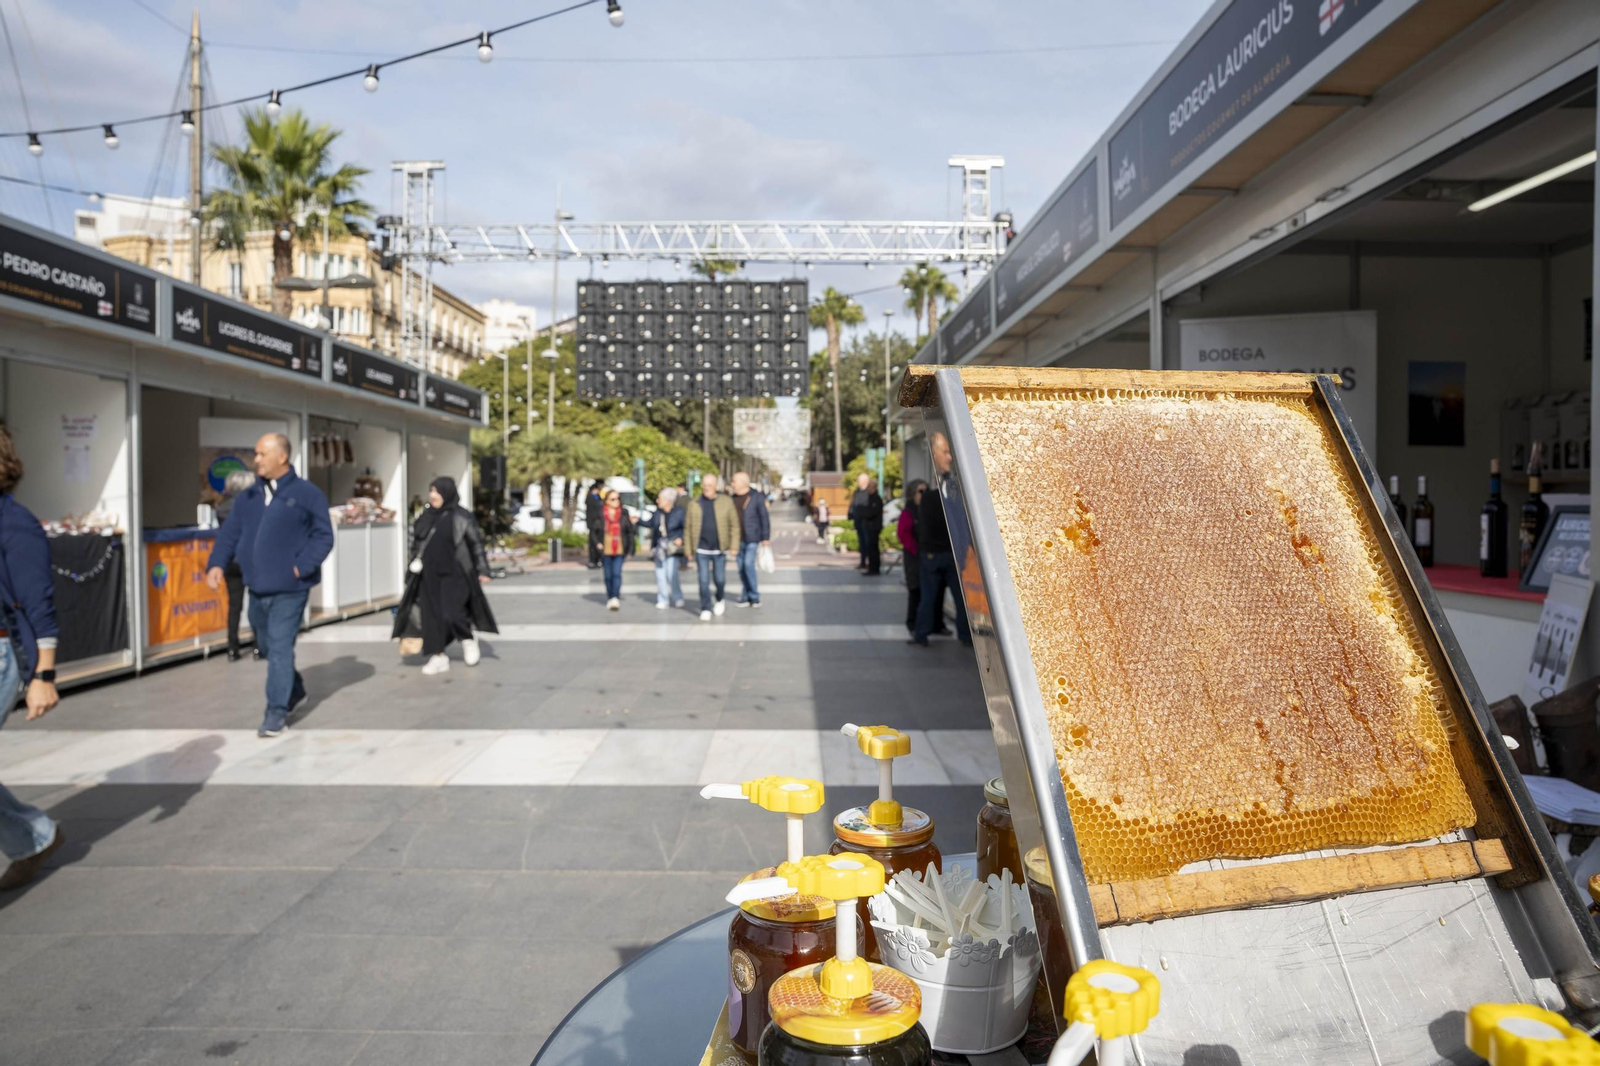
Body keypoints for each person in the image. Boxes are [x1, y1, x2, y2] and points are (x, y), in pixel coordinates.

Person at [205, 433, 335, 737]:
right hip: (257, 588)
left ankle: (276, 713)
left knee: (279, 647)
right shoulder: (248, 497)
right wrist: (216, 564)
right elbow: (229, 534)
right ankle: (295, 689)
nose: (257, 460)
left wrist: (301, 566)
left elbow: (323, 536)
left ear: (282, 457)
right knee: (265, 646)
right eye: (256, 453)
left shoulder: (307, 494)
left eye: (262, 454)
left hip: (291, 588)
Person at [0, 428, 65, 891]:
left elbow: (38, 602)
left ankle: (34, 837)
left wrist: (44, 674)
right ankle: (34, 837)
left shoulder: (14, 522)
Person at [397, 476, 498, 675]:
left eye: (437, 491)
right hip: (428, 575)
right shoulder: (425, 516)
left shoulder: (461, 516)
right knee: (431, 617)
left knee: (453, 613)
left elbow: (475, 544)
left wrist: (483, 569)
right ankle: (438, 656)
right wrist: (411, 567)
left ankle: (467, 638)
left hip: (456, 574)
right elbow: (414, 544)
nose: (433, 495)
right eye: (431, 491)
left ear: (447, 493)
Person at [910, 432, 971, 647]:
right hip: (950, 555)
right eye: (945, 452)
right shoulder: (954, 497)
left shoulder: (926, 499)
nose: (949, 457)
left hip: (932, 555)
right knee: (960, 599)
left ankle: (921, 634)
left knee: (929, 598)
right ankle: (965, 636)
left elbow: (920, 528)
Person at [682, 472, 740, 621]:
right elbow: (687, 528)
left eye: (710, 485)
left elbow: (734, 525)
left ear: (716, 486)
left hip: (719, 549)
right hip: (701, 548)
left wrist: (734, 546)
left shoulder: (726, 502)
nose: (707, 488)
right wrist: (688, 550)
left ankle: (719, 598)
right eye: (705, 485)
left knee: (719, 579)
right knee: (703, 580)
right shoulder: (694, 504)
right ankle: (705, 607)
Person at [215, 468, 257, 662]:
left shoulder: (221, 508)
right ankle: (258, 645)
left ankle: (232, 647)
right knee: (255, 603)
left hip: (230, 562)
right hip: (250, 560)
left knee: (234, 606)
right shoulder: (252, 507)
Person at [730, 471, 771, 608]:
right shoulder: (733, 498)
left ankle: (754, 596)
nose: (732, 484)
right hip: (737, 539)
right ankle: (745, 596)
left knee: (748, 565)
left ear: (743, 483)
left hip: (752, 537)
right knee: (741, 567)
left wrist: (765, 537)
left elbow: (764, 517)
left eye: (734, 481)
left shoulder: (756, 497)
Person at [645, 487, 686, 609]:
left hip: (672, 547)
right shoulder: (658, 512)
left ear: (668, 500)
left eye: (660, 499)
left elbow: (685, 527)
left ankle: (677, 596)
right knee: (660, 574)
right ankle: (663, 599)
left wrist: (681, 538)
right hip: (660, 547)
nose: (657, 501)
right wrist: (637, 521)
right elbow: (650, 523)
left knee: (672, 574)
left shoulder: (679, 512)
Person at [598, 488, 636, 610]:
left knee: (616, 573)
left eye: (618, 499)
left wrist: (631, 549)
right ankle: (610, 596)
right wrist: (598, 543)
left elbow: (630, 532)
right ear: (607, 501)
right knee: (608, 575)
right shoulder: (601, 514)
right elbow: (594, 530)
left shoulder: (623, 513)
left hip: (620, 548)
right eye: (613, 499)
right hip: (606, 549)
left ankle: (615, 597)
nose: (616, 501)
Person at [899, 480, 927, 635]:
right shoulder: (908, 511)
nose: (923, 494)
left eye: (925, 491)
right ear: (913, 493)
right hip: (914, 558)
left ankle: (933, 623)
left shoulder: (926, 509)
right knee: (915, 590)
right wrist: (916, 550)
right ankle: (912, 622)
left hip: (927, 556)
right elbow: (903, 534)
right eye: (920, 491)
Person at [848, 473, 884, 576]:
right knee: (867, 545)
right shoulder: (860, 493)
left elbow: (870, 511)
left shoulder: (875, 498)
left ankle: (873, 567)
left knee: (871, 547)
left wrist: (862, 514)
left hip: (872, 526)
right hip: (865, 524)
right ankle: (868, 565)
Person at [584, 482, 605, 569]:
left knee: (600, 540)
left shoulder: (598, 496)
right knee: (593, 542)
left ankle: (599, 559)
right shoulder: (590, 497)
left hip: (600, 522)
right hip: (593, 522)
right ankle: (593, 561)